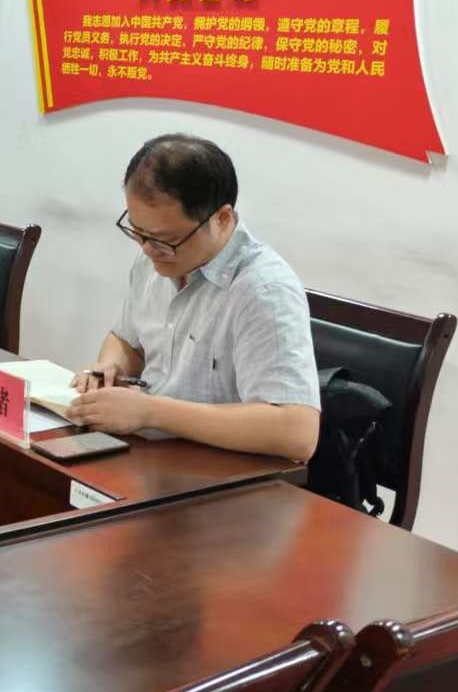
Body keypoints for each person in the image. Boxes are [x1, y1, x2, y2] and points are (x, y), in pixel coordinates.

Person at [68, 134, 321, 462]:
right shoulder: (153, 257)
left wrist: (151, 412)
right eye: (137, 232)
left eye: (165, 239)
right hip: (150, 455)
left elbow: (296, 432)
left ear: (222, 219)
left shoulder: (263, 291)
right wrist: (110, 367)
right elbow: (127, 340)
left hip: (221, 472)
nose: (148, 249)